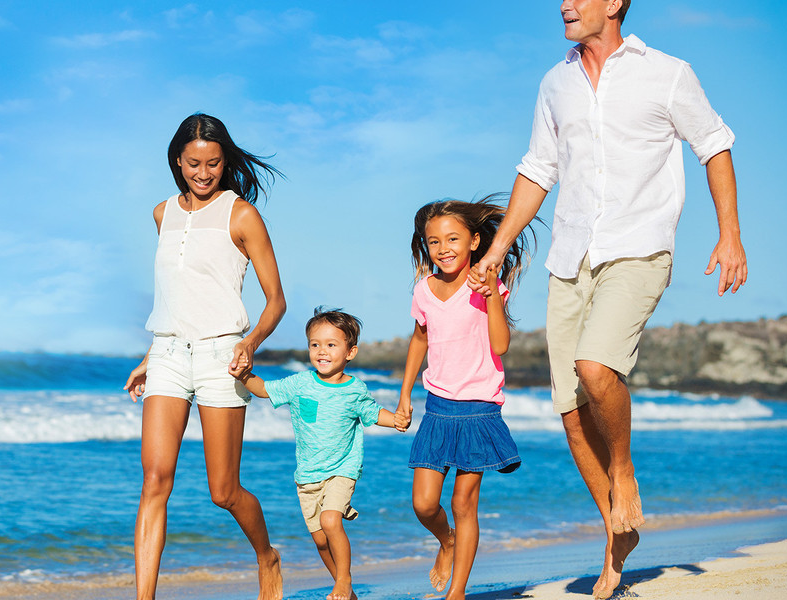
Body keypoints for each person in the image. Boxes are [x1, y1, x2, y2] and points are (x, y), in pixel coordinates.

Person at [468, 1, 747, 598]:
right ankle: (616, 534)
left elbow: (714, 144)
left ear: (615, 2)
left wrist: (730, 234)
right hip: (570, 255)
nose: (564, 4)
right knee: (571, 413)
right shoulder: (556, 82)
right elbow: (538, 169)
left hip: (639, 247)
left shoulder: (667, 73)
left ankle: (624, 471)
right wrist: (497, 247)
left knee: (595, 369)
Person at [123, 113, 286, 600]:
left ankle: (267, 556)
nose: (203, 172)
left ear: (225, 162)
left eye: (213, 163)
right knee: (155, 480)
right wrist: (151, 355)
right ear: (178, 160)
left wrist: (249, 343)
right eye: (194, 163)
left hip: (221, 357)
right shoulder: (162, 214)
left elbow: (276, 301)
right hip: (169, 353)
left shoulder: (241, 215)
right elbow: (175, 295)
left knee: (224, 491)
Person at [396, 198, 535, 600]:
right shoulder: (424, 291)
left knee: (463, 503)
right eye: (434, 241)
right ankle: (448, 541)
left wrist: (490, 294)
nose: (444, 248)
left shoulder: (488, 287)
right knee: (424, 505)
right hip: (437, 409)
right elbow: (419, 340)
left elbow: (501, 344)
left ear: (474, 241)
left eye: (453, 238)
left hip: (478, 409)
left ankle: (456, 593)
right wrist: (405, 395)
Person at [234, 308, 408, 600]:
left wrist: (397, 420)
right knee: (320, 541)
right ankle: (347, 592)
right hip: (308, 476)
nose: (321, 351)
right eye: (315, 344)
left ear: (350, 352)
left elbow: (373, 413)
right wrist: (243, 375)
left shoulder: (355, 390)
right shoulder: (300, 383)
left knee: (330, 521)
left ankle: (343, 580)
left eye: (331, 344)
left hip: (342, 470)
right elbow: (264, 389)